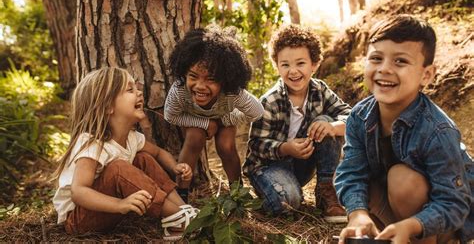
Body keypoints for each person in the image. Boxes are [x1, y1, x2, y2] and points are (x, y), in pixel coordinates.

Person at [335, 15, 473, 243]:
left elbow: (454, 202)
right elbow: (351, 172)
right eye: (376, 58)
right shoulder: (359, 117)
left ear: (426, 74)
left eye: (400, 61)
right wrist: (357, 213)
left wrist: (412, 226)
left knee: (402, 180)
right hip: (394, 210)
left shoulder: (438, 130)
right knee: (362, 184)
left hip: (441, 221)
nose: (385, 69)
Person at [52, 68, 198, 241]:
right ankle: (176, 217)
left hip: (106, 211)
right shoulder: (93, 144)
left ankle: (182, 210)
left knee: (143, 158)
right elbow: (79, 192)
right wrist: (120, 205)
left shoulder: (132, 138)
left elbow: (158, 153)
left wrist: (175, 167)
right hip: (79, 219)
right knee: (118, 168)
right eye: (130, 90)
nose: (139, 93)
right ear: (108, 106)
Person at [243, 24, 352, 223]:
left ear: (315, 64)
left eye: (300, 63)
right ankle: (275, 191)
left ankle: (325, 190)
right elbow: (256, 145)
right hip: (268, 167)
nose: (293, 71)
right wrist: (285, 148)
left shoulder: (320, 90)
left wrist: (333, 127)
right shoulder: (270, 101)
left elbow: (351, 116)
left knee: (325, 122)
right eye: (285, 65)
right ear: (277, 66)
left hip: (302, 165)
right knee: (289, 202)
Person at [164, 25, 264, 202]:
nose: (200, 86)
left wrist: (226, 119)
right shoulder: (179, 90)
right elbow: (170, 116)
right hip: (195, 120)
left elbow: (256, 112)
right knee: (194, 138)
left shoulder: (232, 93)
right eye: (193, 76)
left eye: (211, 79)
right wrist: (205, 124)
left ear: (225, 80)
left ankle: (237, 192)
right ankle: (181, 195)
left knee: (226, 145)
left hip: (224, 118)